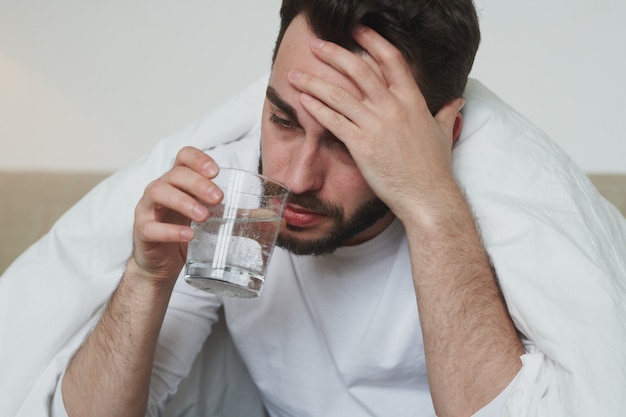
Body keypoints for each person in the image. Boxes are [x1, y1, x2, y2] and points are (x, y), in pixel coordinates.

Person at [7, 0, 625, 416]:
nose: (294, 177)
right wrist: (146, 281)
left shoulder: (501, 220)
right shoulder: (236, 193)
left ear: (444, 134)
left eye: (349, 139)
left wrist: (433, 208)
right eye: (282, 119)